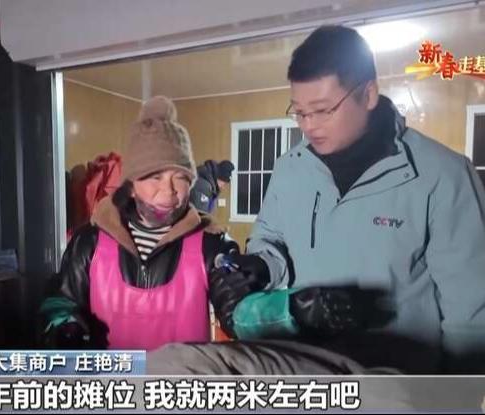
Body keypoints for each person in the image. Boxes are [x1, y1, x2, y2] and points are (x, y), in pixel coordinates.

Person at [232, 25, 485, 374]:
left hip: (398, 386)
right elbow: (270, 240)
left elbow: (471, 318)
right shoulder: (290, 169)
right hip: (310, 378)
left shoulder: (443, 175)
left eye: (323, 110)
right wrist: (261, 266)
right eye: (299, 112)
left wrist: (455, 394)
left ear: (368, 95)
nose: (308, 126)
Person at [40, 96, 268, 350]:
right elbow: (61, 301)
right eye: (155, 177)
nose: (169, 191)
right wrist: (64, 325)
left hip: (181, 377)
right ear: (131, 186)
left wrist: (286, 309)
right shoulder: (89, 242)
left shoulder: (212, 245)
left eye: (180, 177)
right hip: (112, 376)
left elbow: (241, 316)